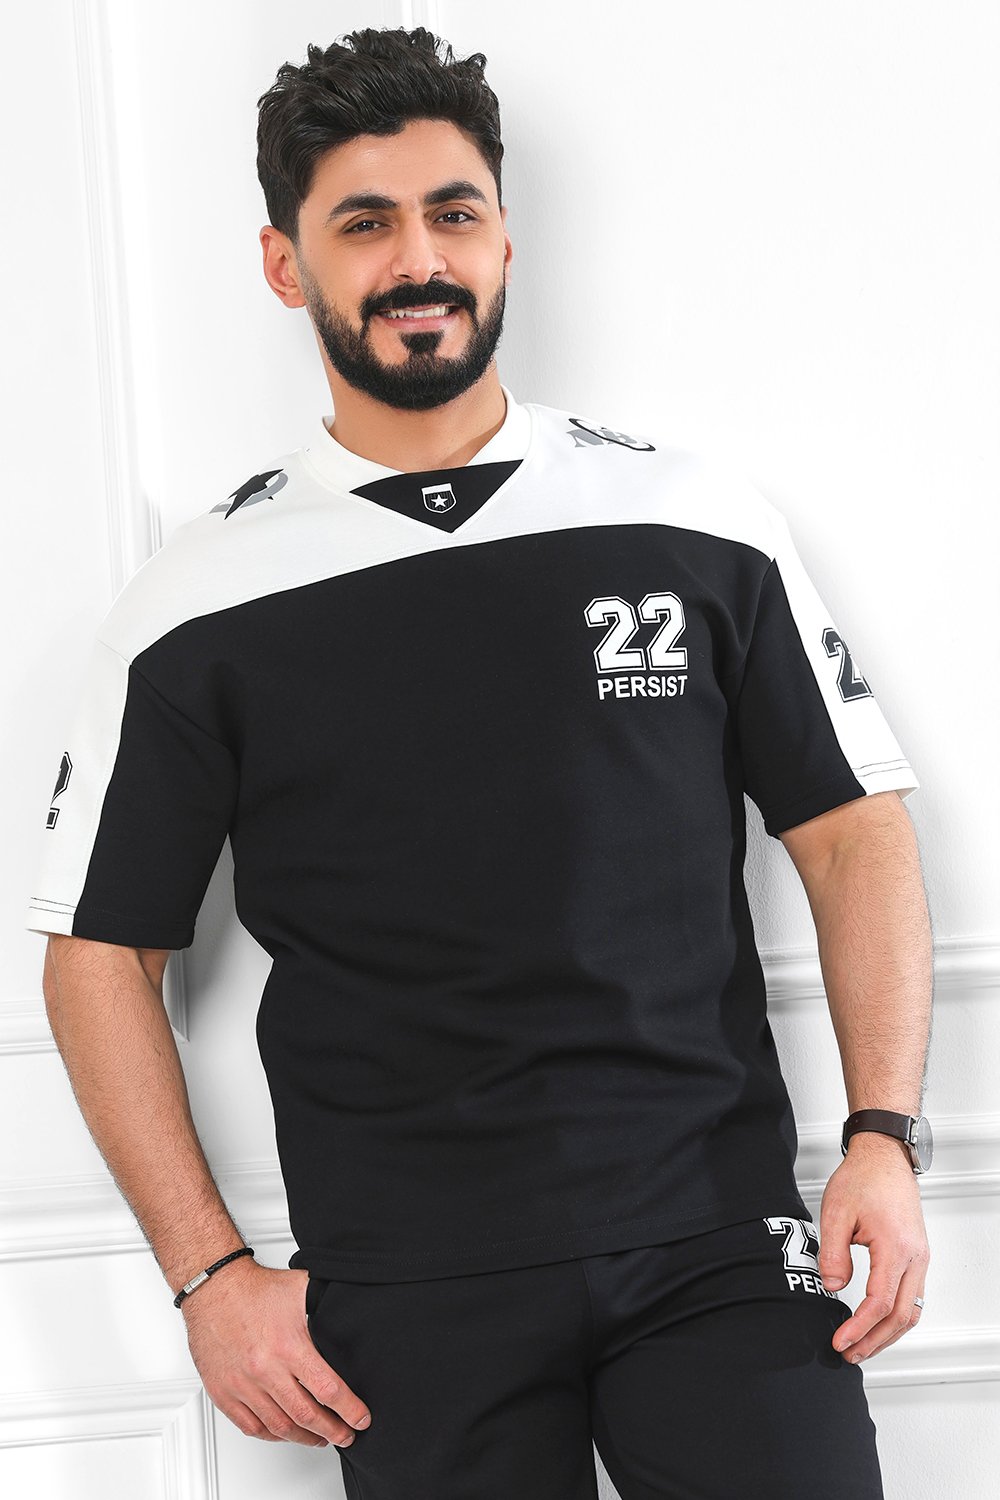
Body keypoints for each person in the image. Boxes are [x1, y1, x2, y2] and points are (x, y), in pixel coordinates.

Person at [27, 25, 933, 1500]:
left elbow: (850, 828)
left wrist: (882, 1135)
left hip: (718, 1243)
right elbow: (97, 955)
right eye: (364, 223)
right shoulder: (195, 606)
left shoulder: (694, 524)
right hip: (406, 1287)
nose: (419, 260)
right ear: (285, 265)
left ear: (504, 237)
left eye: (452, 213)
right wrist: (207, 1275)